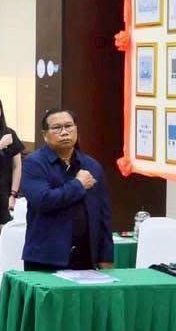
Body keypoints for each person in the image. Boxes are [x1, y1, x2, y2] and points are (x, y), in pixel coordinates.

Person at [20, 108, 114, 271]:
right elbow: (43, 200)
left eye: (69, 126)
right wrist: (78, 185)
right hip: (46, 258)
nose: (64, 132)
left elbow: (103, 214)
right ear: (45, 135)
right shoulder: (34, 163)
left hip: (86, 257)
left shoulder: (91, 165)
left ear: (76, 129)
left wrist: (106, 257)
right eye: (57, 128)